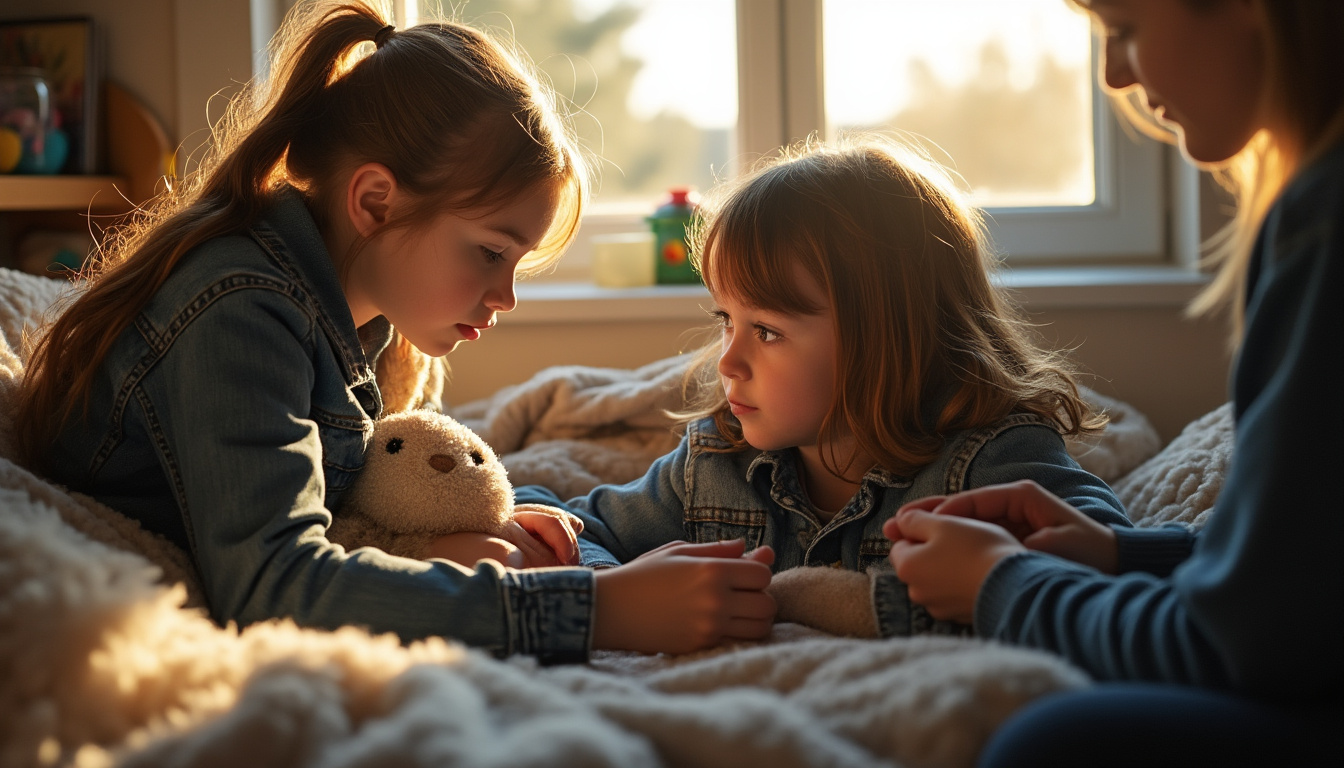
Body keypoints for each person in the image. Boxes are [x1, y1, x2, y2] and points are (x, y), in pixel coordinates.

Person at [11, 0, 773, 665]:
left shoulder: (367, 315)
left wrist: (477, 534)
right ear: (375, 201)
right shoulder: (240, 310)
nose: (504, 296)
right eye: (488, 252)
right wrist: (600, 610)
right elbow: (272, 585)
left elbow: (343, 489)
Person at [884, 1, 1343, 765]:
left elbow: (1247, 644)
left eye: (1124, 27)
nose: (1113, 73)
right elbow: (1303, 568)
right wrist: (1126, 557)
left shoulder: (1323, 223)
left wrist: (1006, 584)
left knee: (1047, 740)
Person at [542, 135, 1131, 643]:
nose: (729, 362)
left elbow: (1110, 566)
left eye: (767, 331)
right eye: (727, 320)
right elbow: (571, 530)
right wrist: (619, 591)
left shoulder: (993, 462)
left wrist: (844, 604)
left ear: (885, 338)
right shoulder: (714, 460)